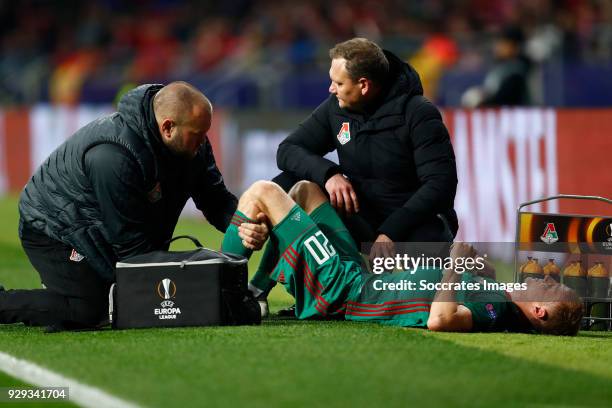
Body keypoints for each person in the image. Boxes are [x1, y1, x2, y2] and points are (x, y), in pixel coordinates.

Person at [0, 81, 268, 331]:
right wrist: (200, 263)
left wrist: (241, 225)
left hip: (102, 231)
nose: (203, 143)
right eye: (197, 135)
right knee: (91, 309)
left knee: (131, 299)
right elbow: (133, 252)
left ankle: (78, 282)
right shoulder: (113, 157)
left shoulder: (191, 142)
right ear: (167, 127)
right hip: (54, 229)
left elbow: (215, 199)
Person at [222, 180, 583, 335]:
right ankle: (255, 292)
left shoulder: (496, 311)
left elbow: (440, 320)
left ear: (540, 311)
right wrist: (475, 270)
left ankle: (223, 296)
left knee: (263, 192)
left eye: (551, 287)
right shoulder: (498, 296)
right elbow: (433, 286)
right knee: (305, 191)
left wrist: (457, 263)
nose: (546, 278)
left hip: (347, 290)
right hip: (362, 275)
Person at [273, 37, 458, 260]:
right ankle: (252, 284)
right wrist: (330, 174)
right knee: (285, 183)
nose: (331, 89)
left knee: (420, 291)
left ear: (363, 85)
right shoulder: (337, 107)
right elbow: (288, 150)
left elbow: (440, 185)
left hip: (413, 225)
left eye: (339, 83)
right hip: (362, 217)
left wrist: (390, 232)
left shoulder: (418, 113)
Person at [461, 26, 531, 108]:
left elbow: (503, 100)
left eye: (503, 44)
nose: (498, 47)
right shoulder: (501, 68)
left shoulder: (518, 71)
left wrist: (480, 103)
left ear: (515, 47)